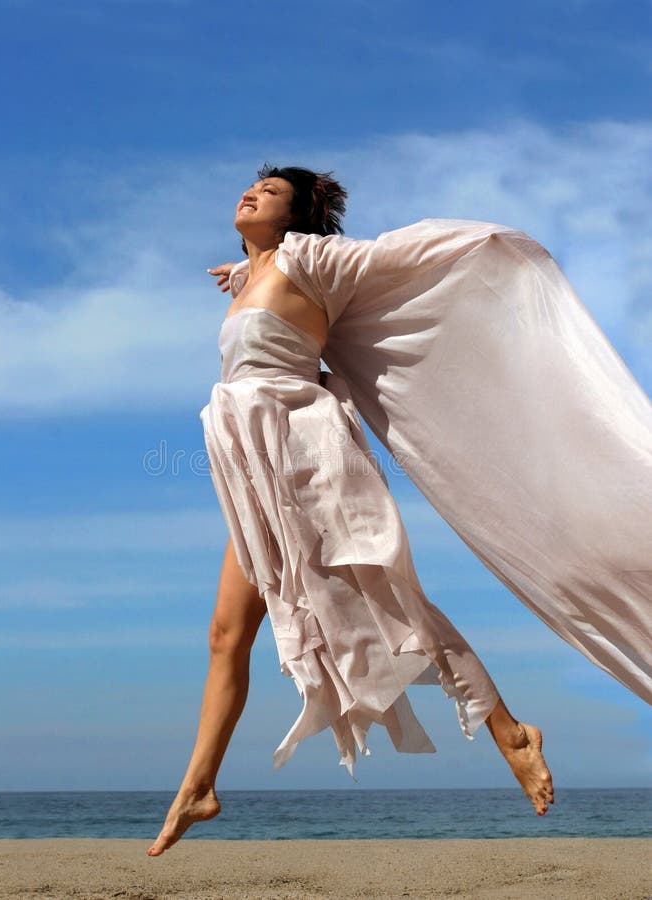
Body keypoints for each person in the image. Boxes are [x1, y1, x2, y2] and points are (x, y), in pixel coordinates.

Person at [147, 166, 558, 858]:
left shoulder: (313, 257)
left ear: (296, 215)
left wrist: (483, 242)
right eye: (250, 188)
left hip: (306, 460)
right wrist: (244, 271)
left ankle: (510, 731)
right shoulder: (258, 272)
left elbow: (396, 256)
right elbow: (265, 314)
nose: (250, 194)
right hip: (254, 476)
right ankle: (200, 786)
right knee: (225, 635)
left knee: (389, 604)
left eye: (270, 193)